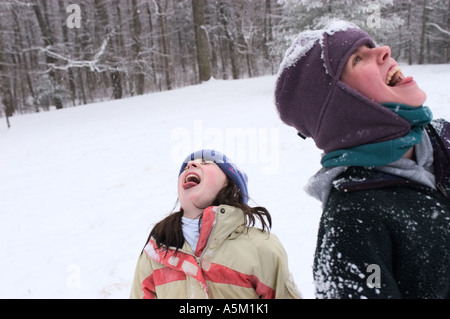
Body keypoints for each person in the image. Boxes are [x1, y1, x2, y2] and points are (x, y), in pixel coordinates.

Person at [275, 20, 450, 299]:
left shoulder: (445, 138)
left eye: (372, 45)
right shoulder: (353, 219)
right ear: (343, 106)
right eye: (357, 58)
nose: (384, 50)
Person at [130, 149, 300, 299]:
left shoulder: (261, 248)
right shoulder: (156, 252)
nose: (190, 164)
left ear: (230, 185)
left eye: (206, 163)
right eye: (188, 166)